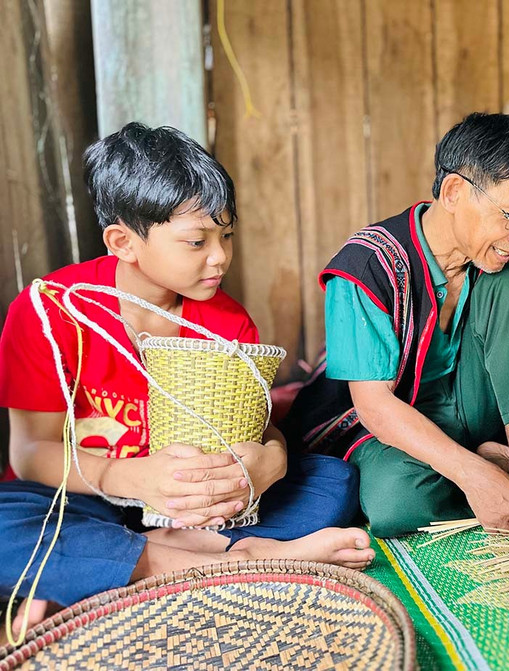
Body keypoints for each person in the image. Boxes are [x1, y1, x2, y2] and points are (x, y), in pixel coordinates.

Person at [0, 123, 373, 635]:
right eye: (196, 241)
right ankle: (239, 565)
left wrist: (269, 461)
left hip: (194, 516)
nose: (219, 256)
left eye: (226, 235)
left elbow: (255, 431)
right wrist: (127, 478)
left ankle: (122, 572)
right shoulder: (50, 310)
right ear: (123, 242)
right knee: (7, 528)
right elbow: (28, 453)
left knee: (334, 481)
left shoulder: (229, 323)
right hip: (84, 499)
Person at [281, 113, 509, 537]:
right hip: (392, 422)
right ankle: (493, 470)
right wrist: (473, 472)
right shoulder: (367, 265)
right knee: (397, 503)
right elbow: (375, 406)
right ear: (454, 192)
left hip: (476, 407)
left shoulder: (502, 258)